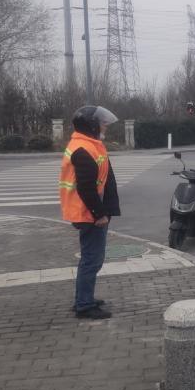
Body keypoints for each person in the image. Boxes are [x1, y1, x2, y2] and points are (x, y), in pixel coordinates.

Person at [59, 106, 121, 319]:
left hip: (89, 211)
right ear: (91, 125)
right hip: (88, 213)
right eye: (103, 123)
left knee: (90, 258)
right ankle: (84, 305)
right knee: (92, 260)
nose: (106, 126)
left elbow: (102, 179)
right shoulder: (83, 149)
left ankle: (83, 299)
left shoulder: (90, 145)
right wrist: (99, 214)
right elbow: (86, 188)